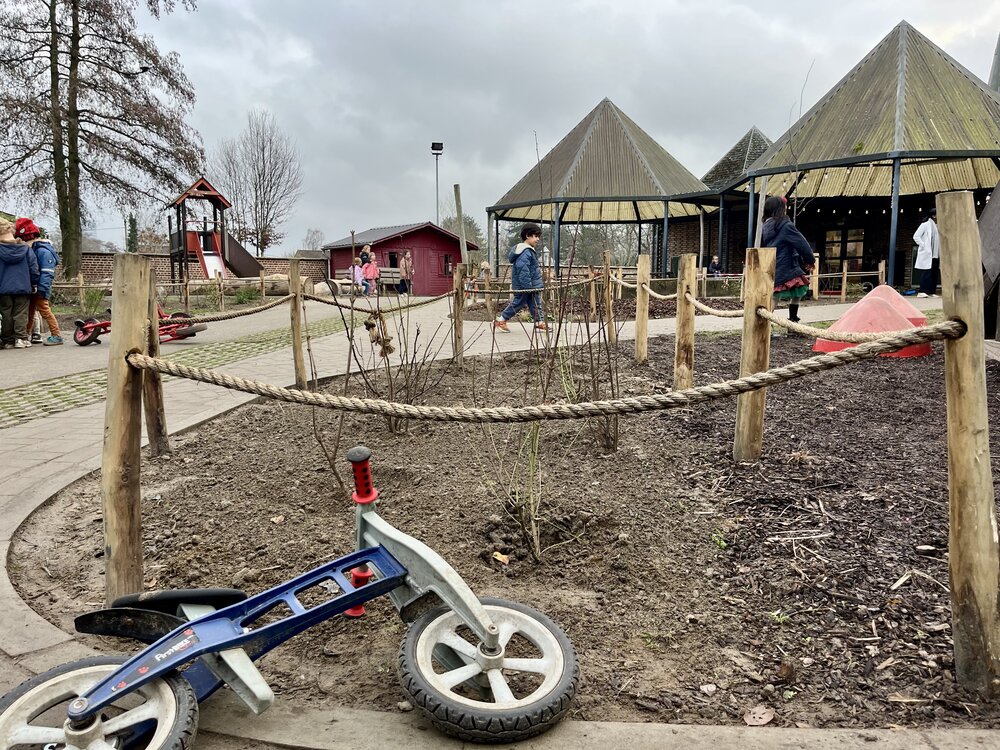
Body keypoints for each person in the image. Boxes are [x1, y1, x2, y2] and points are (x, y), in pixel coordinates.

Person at [761, 196, 814, 326]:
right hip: (787, 264)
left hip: (773, 264)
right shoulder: (785, 226)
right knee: (788, 292)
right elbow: (801, 243)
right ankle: (792, 321)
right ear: (780, 209)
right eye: (785, 207)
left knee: (780, 294)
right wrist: (810, 259)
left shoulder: (766, 226)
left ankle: (767, 324)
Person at [15, 218, 63, 345]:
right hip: (32, 287)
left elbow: (47, 273)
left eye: (25, 240)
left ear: (30, 237)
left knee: (45, 311)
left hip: (40, 288)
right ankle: (26, 334)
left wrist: (41, 289)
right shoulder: (34, 250)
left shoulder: (43, 252)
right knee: (29, 312)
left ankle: (56, 335)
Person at [494, 223, 546, 332]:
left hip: (531, 284)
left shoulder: (528, 251)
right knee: (518, 303)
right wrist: (527, 286)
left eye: (538, 237)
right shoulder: (525, 251)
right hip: (525, 285)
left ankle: (539, 322)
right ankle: (502, 320)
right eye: (535, 236)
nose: (538, 239)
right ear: (528, 235)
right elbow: (523, 270)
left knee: (535, 302)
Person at [0, 218, 40, 349]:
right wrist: (34, 283)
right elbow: (33, 268)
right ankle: (21, 339)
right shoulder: (26, 249)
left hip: (3, 288)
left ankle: (7, 341)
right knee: (21, 313)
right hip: (23, 286)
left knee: (6, 314)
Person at [913, 208, 940, 298]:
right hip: (927, 252)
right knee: (926, 272)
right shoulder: (925, 225)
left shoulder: (936, 226)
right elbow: (916, 236)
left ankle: (931, 292)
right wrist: (923, 245)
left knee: (934, 273)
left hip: (935, 253)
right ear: (934, 215)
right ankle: (922, 291)